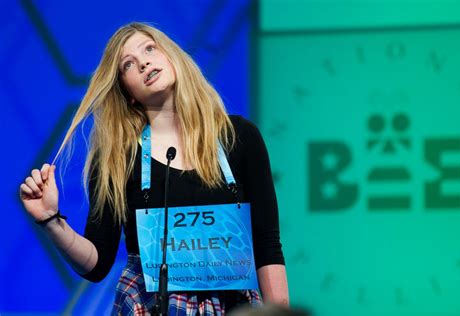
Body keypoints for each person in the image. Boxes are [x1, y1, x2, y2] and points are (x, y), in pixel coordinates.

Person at [19, 22, 288, 315]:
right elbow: (96, 264)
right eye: (128, 65)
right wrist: (50, 220)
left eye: (149, 48)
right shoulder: (116, 159)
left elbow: (266, 244)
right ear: (128, 93)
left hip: (232, 306)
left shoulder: (239, 136)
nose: (144, 61)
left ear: (172, 56)